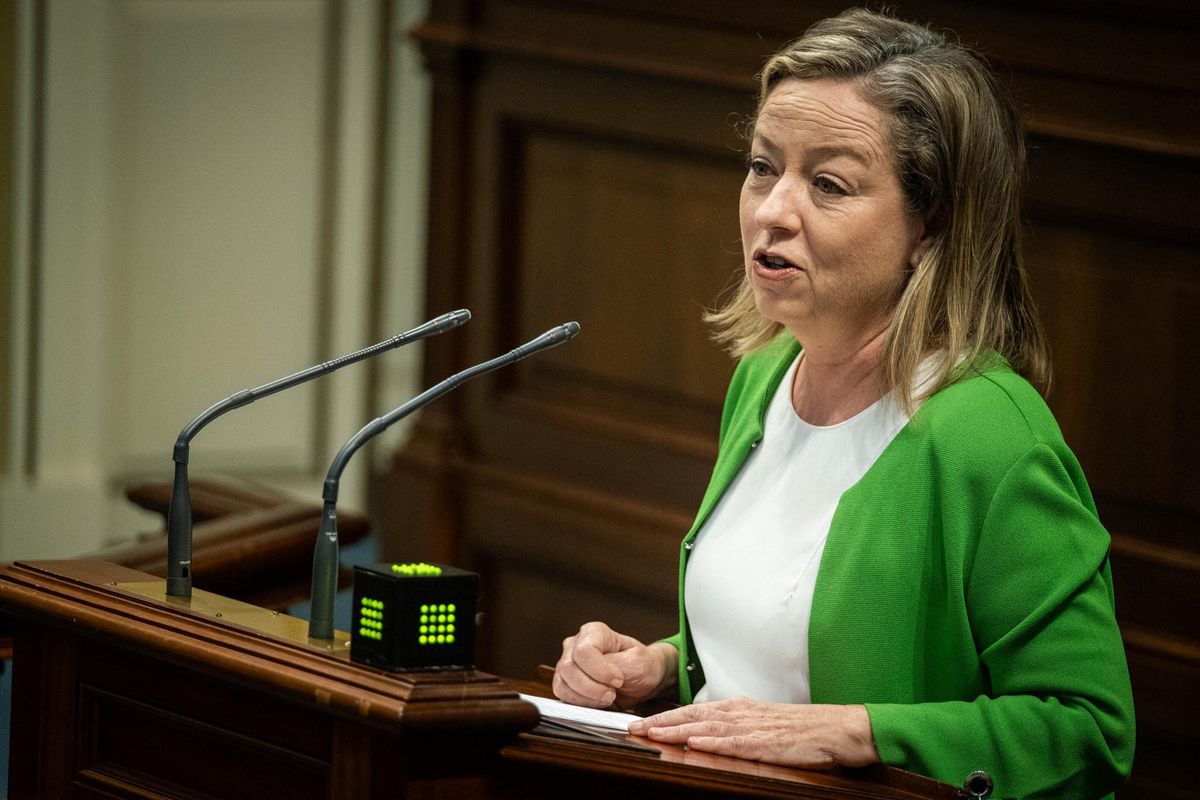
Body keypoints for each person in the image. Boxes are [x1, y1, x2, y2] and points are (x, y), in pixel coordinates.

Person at [551, 8, 1135, 799]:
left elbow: (1087, 731)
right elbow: (781, 654)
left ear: (933, 223)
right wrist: (656, 667)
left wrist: (861, 732)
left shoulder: (989, 435)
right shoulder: (765, 378)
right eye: (763, 167)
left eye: (828, 183)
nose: (772, 210)